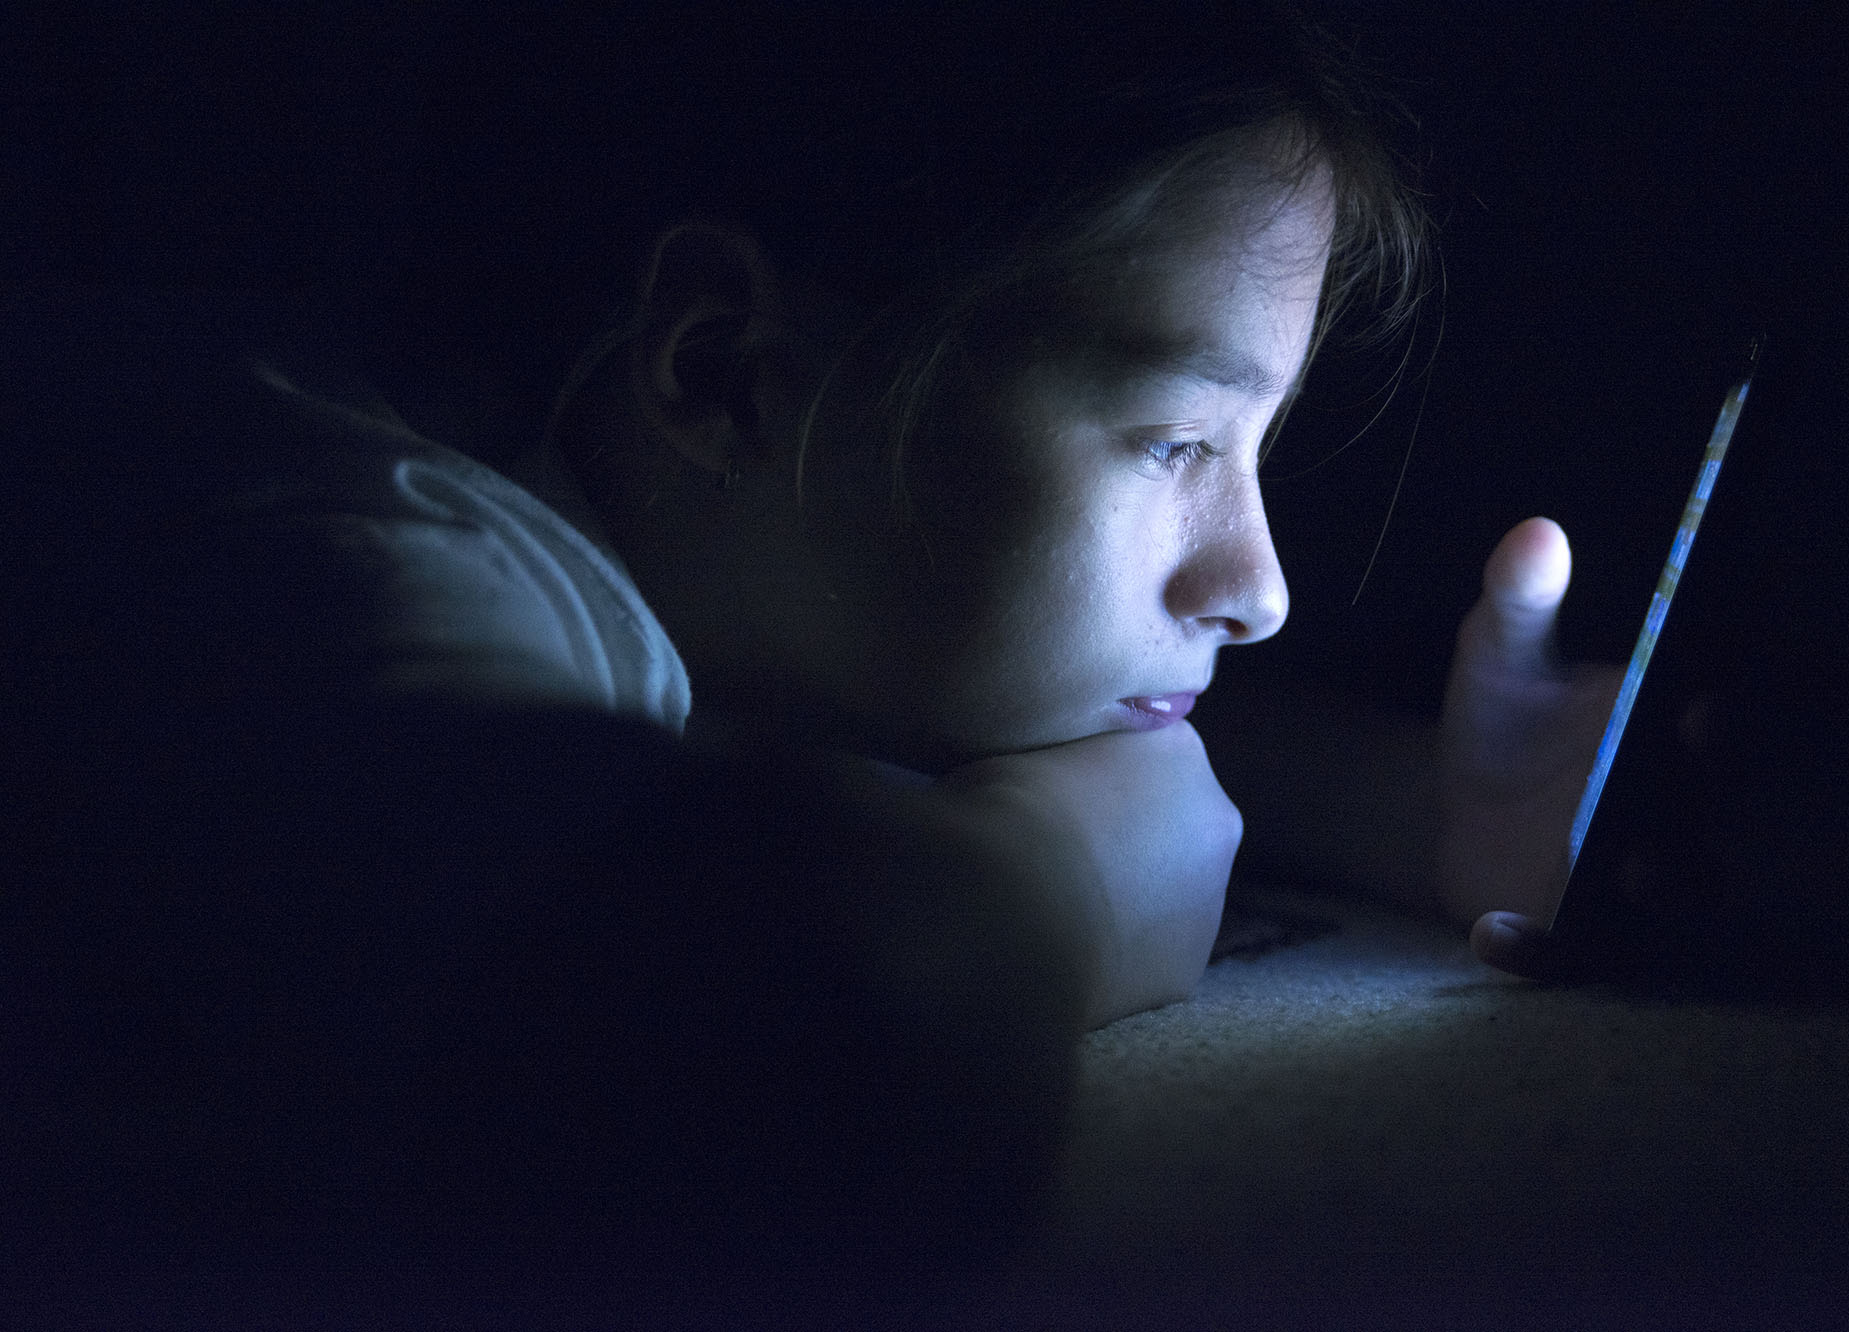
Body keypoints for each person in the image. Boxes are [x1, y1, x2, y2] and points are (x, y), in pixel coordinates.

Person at [2, 0, 1620, 1314]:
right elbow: (787, 1061)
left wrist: (1424, 814)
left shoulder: (675, 544)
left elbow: (853, 714)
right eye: (1173, 440)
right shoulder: (342, 558)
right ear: (727, 372)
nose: (1259, 586)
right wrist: (1048, 885)